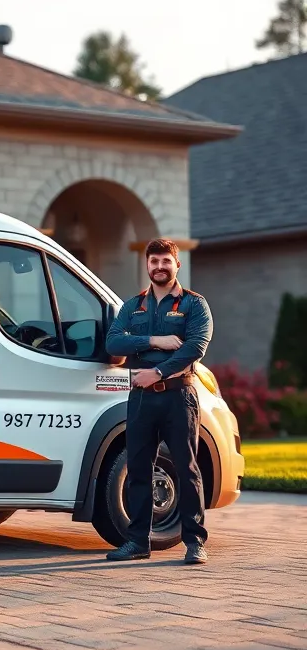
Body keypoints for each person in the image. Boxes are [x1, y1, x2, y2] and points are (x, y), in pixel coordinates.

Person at [104, 239, 213, 565]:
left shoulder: (195, 305)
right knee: (138, 469)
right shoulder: (132, 306)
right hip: (140, 400)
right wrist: (154, 339)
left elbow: (195, 346)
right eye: (154, 262)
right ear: (147, 265)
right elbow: (113, 341)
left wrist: (157, 372)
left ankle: (195, 543)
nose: (160, 267)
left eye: (166, 261)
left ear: (176, 265)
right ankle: (137, 542)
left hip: (179, 396)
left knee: (186, 467)